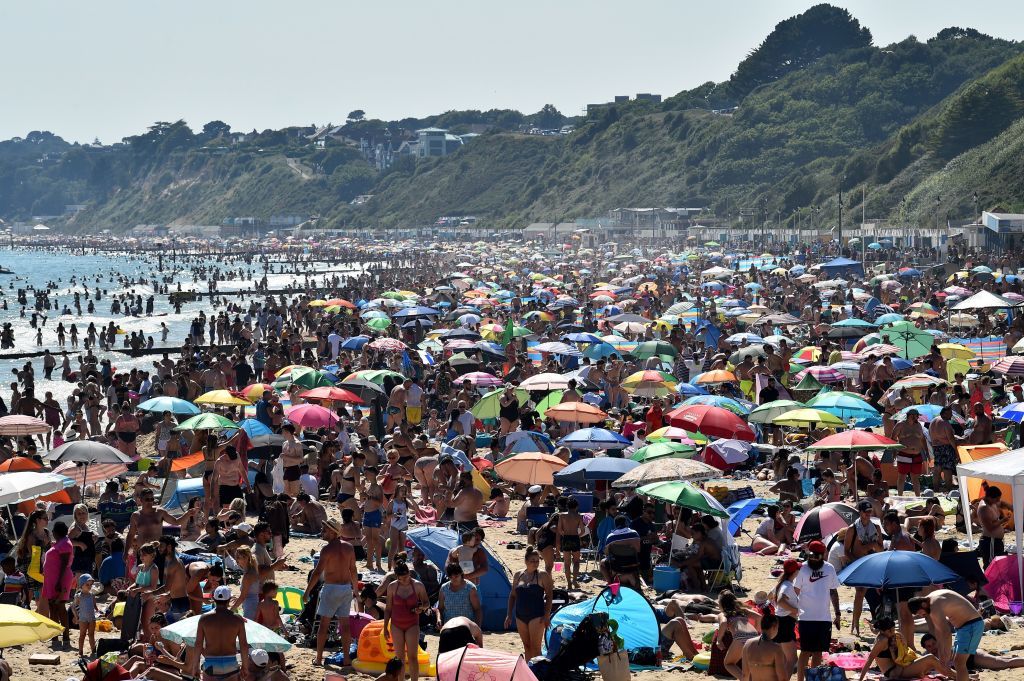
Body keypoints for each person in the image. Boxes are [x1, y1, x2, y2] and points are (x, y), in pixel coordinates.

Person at [305, 517, 358, 667]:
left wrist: (307, 591)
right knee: (345, 626)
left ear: (334, 533)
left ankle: (319, 658)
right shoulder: (349, 547)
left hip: (331, 588)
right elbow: (353, 570)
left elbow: (317, 573)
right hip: (346, 588)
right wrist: (356, 590)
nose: (323, 532)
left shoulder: (327, 549)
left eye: (326, 530)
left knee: (323, 625)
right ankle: (346, 659)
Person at [909, 590, 985, 681]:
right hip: (964, 627)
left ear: (923, 605)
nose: (921, 616)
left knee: (959, 663)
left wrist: (946, 654)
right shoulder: (931, 599)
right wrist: (941, 654)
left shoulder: (934, 605)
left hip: (971, 625)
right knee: (958, 663)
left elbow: (946, 633)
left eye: (919, 613)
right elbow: (938, 631)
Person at [793, 540, 841, 681]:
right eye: (811, 556)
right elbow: (795, 592)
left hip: (824, 618)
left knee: (818, 653)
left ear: (823, 554)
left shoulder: (829, 568)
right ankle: (800, 679)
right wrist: (793, 613)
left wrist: (837, 613)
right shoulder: (802, 568)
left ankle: (812, 679)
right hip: (805, 618)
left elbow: (833, 592)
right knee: (805, 651)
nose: (813, 559)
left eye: (816, 556)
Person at [857, 616, 949, 681]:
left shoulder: (894, 635)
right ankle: (957, 676)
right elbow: (870, 659)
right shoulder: (882, 640)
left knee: (930, 662)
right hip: (894, 672)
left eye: (893, 629)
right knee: (931, 658)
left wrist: (900, 641)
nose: (892, 632)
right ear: (882, 631)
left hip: (902, 666)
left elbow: (905, 651)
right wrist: (861, 679)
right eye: (890, 631)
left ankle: (954, 675)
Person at [383, 556, 429, 681]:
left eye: (407, 576)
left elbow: (426, 602)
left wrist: (421, 608)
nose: (405, 580)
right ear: (397, 577)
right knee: (399, 658)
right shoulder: (392, 587)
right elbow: (388, 609)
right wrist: (385, 627)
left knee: (413, 657)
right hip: (396, 624)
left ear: (409, 573)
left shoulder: (418, 585)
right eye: (402, 578)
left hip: (412, 624)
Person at [192, 585, 250, 681]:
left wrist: (195, 667)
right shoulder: (237, 619)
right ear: (229, 599)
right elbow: (243, 645)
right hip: (230, 663)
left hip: (211, 663)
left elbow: (198, 644)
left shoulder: (204, 619)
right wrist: (245, 666)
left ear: (214, 598)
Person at [505, 546, 553, 661]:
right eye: (532, 561)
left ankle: (537, 674)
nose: (535, 563)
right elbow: (512, 595)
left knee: (536, 648)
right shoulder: (518, 575)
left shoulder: (543, 575)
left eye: (537, 561)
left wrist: (547, 616)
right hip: (520, 615)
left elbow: (550, 596)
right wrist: (509, 615)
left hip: (537, 615)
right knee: (527, 647)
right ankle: (528, 673)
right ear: (526, 561)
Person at [844, 500, 882, 637]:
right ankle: (855, 624)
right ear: (860, 512)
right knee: (860, 593)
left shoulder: (876, 528)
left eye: (869, 512)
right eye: (865, 512)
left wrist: (872, 544)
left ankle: (874, 623)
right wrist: (856, 561)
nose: (868, 514)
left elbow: (880, 549)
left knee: (876, 594)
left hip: (872, 564)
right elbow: (846, 551)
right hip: (858, 563)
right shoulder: (852, 529)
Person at [921, 632, 1024, 672]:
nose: (932, 647)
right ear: (925, 648)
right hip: (968, 660)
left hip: (971, 656)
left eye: (933, 644)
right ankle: (1016, 658)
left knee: (1002, 664)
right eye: (929, 646)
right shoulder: (927, 656)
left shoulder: (943, 649)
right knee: (1001, 661)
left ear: (937, 642)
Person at [715, 589, 760, 680]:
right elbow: (759, 617)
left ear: (721, 604)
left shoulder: (723, 614)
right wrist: (757, 630)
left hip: (740, 637)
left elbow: (723, 623)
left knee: (729, 663)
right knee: (751, 666)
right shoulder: (743, 611)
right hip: (755, 637)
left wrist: (719, 640)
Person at [43, 520, 74, 645]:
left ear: (56, 532)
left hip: (60, 579)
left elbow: (64, 564)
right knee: (53, 607)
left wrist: (59, 582)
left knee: (60, 607)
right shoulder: (60, 543)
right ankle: (55, 635)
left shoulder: (65, 544)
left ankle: (65, 636)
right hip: (52, 579)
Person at [770, 559, 801, 674]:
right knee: (792, 660)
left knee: (782, 659)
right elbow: (781, 600)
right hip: (785, 624)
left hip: (780, 622)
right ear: (795, 572)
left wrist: (779, 609)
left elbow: (770, 596)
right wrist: (795, 611)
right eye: (799, 569)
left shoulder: (782, 583)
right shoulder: (787, 585)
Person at [741, 613, 787, 681]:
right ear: (774, 627)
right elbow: (782, 677)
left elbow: (745, 675)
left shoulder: (747, 644)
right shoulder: (776, 649)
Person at [976, 484, 1006, 568]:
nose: (998, 501)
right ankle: (989, 581)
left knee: (997, 565)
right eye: (996, 499)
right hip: (990, 541)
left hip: (995, 541)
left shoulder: (991, 503)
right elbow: (990, 527)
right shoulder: (984, 508)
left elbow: (1001, 504)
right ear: (990, 497)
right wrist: (1003, 520)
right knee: (991, 566)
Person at [74, 573, 97, 659]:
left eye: (91, 585)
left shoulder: (92, 595)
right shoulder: (78, 596)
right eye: (87, 584)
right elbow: (73, 607)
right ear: (81, 585)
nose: (89, 586)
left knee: (91, 635)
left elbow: (94, 605)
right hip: (82, 619)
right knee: (82, 635)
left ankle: (93, 650)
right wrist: (76, 616)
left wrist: (99, 611)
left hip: (92, 618)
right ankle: (80, 651)